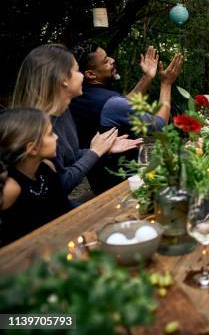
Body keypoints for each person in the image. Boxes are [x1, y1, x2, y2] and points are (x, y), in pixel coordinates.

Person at [11, 44, 140, 196]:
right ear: (63, 80)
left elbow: (68, 158)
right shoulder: (38, 127)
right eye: (77, 70)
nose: (83, 76)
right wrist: (94, 153)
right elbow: (56, 187)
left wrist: (104, 149)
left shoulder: (63, 112)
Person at [69, 43, 183, 193]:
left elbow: (123, 105)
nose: (112, 60)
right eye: (105, 61)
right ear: (90, 74)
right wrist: (166, 84)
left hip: (101, 182)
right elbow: (159, 125)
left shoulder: (80, 97)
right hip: (128, 183)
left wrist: (147, 76)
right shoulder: (111, 104)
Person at [0, 108, 73, 246]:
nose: (56, 137)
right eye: (50, 134)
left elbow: (65, 210)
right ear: (32, 148)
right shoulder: (11, 188)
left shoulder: (47, 167)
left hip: (61, 242)